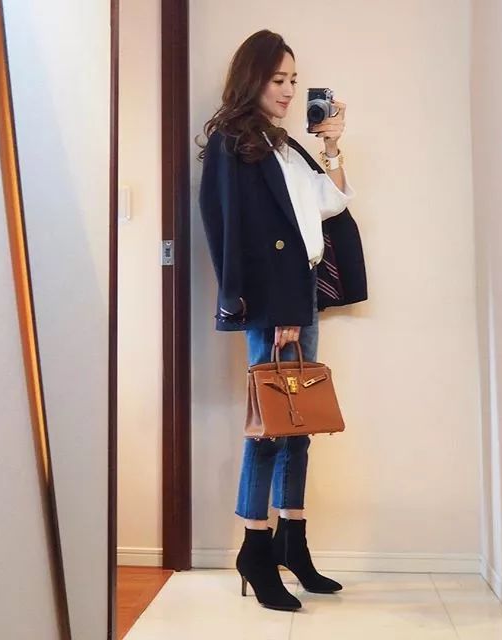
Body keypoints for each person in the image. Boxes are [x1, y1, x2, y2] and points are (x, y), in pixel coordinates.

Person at [196, 29, 367, 612]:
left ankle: (292, 539)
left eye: (294, 79)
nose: (290, 89)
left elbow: (330, 204)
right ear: (253, 78)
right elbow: (235, 234)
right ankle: (254, 546)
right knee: (270, 425)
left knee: (299, 422)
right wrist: (276, 313)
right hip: (276, 304)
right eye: (278, 79)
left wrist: (332, 147)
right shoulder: (233, 142)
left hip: (302, 295)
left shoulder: (285, 143)